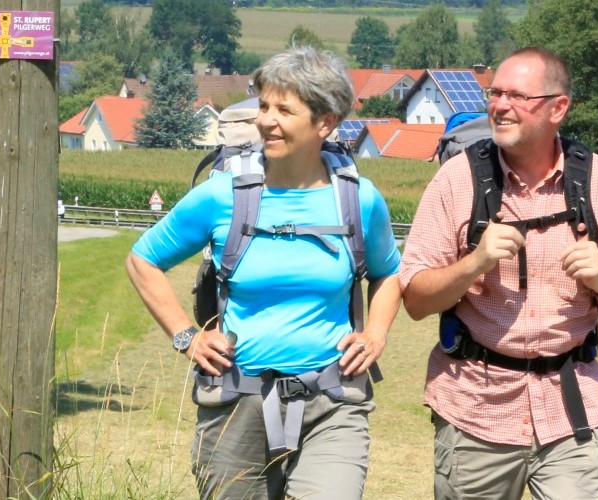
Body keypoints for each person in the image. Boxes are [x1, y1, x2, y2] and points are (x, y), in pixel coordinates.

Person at [124, 46, 402, 500]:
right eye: (264, 106)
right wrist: (186, 337)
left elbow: (389, 272)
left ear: (325, 121)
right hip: (236, 402)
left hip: (333, 402)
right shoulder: (222, 196)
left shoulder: (359, 199)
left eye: (284, 110)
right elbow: (142, 260)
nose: (266, 120)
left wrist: (376, 333)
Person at [397, 47, 598, 499]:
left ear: (558, 107)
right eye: (496, 93)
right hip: (476, 413)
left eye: (517, 95)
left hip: (571, 415)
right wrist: (476, 262)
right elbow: (415, 300)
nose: (500, 105)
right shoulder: (457, 180)